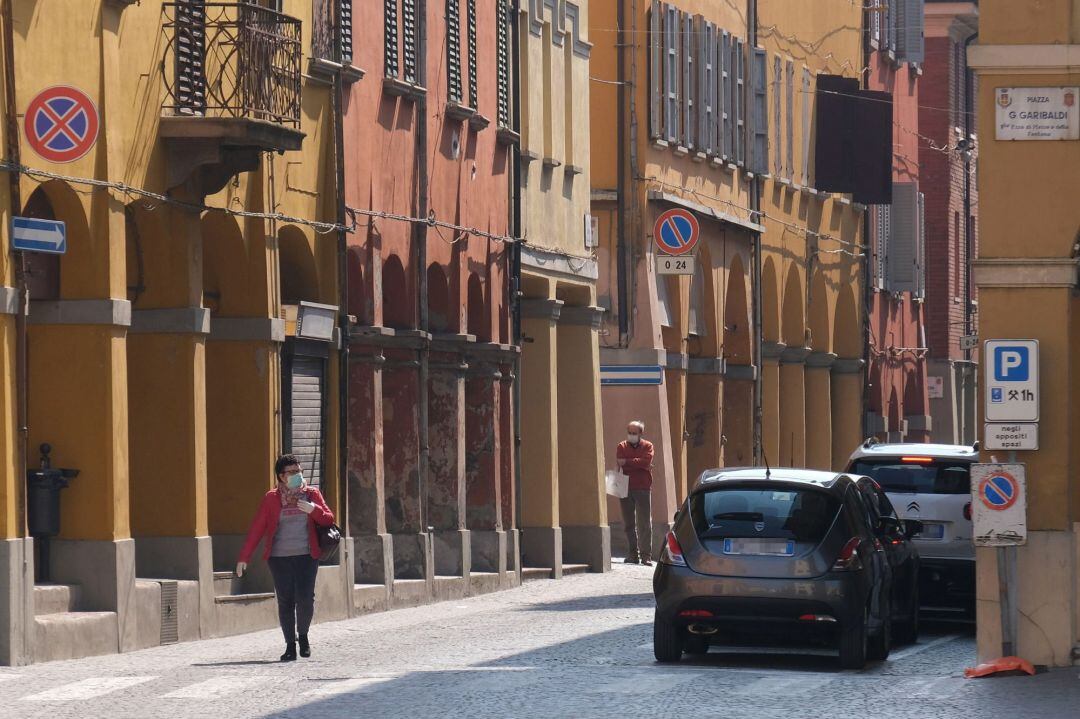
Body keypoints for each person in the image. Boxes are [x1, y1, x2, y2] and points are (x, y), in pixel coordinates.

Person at [236, 454, 335, 661]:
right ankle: (290, 645)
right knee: (286, 601)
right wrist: (244, 557)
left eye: (299, 471)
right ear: (281, 476)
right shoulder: (271, 498)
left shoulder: (311, 494)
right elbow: (257, 528)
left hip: (307, 555)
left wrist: (313, 510)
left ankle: (304, 636)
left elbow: (328, 519)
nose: (297, 475)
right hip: (279, 558)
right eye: (292, 472)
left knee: (306, 599)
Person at [616, 420, 655, 565]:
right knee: (629, 524)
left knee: (644, 522)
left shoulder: (648, 446)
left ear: (640, 434)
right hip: (625, 487)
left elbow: (646, 461)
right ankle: (633, 555)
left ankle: (646, 556)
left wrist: (628, 462)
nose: (631, 435)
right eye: (629, 432)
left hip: (643, 487)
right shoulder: (622, 446)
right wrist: (639, 464)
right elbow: (621, 462)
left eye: (634, 433)